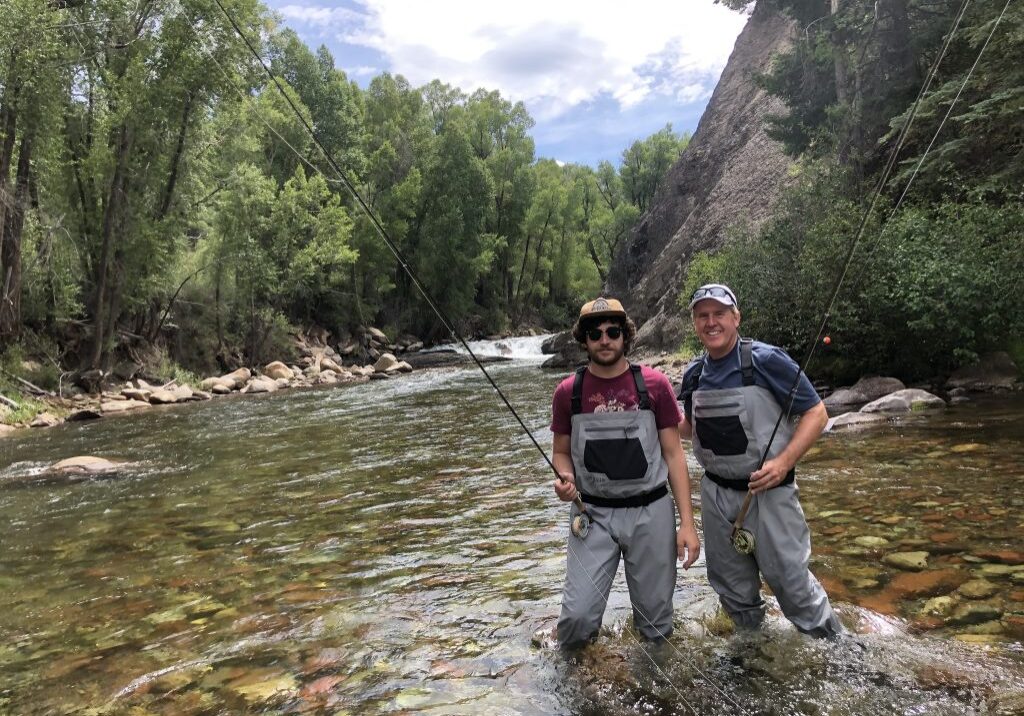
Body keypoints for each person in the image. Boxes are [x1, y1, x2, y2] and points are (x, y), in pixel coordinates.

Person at [678, 283, 841, 638]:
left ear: (736, 317)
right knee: (731, 586)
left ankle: (838, 649)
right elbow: (690, 428)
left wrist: (782, 464)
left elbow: (816, 414)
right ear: (695, 323)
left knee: (792, 583)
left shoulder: (767, 360)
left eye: (719, 314)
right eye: (702, 316)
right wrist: (650, 419)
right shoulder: (693, 374)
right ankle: (752, 649)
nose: (711, 322)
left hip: (770, 492)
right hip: (715, 495)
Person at [551, 296, 700, 649]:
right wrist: (565, 478)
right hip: (592, 514)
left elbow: (674, 455)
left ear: (625, 335)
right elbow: (561, 453)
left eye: (612, 331)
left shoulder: (656, 385)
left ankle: (654, 674)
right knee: (576, 620)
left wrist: (688, 523)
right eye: (595, 333)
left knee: (655, 625)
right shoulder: (568, 393)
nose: (604, 339)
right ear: (584, 340)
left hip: (651, 512)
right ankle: (576, 674)